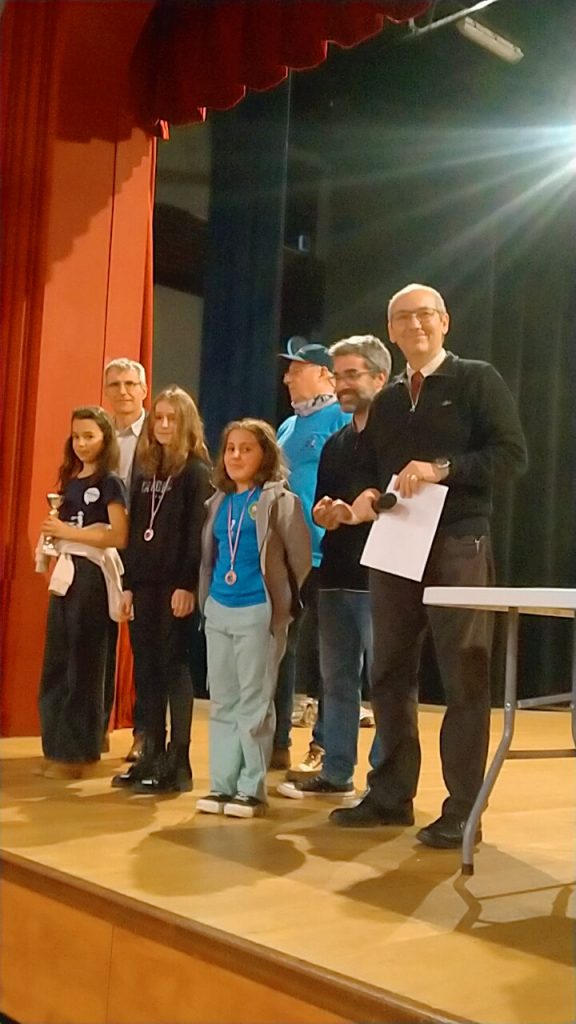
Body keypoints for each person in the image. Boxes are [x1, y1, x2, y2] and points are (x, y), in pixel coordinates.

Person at [329, 283, 527, 848]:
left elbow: (512, 456)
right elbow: (371, 471)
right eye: (403, 317)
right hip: (395, 542)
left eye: (425, 314)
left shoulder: (476, 379)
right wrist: (358, 502)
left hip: (458, 541)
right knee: (388, 672)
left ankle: (464, 810)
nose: (415, 324)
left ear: (445, 321)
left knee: (464, 675)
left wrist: (442, 468)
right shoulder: (388, 400)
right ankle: (390, 796)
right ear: (390, 331)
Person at [277, 335, 389, 801]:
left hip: (379, 574)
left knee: (384, 682)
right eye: (339, 375)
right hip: (333, 570)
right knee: (336, 678)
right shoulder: (337, 441)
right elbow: (323, 498)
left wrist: (364, 509)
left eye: (352, 375)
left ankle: (386, 786)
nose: (343, 384)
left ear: (380, 379)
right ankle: (336, 770)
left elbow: (402, 497)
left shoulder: (395, 435)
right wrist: (326, 512)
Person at [196, 419, 311, 818]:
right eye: (230, 448)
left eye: (246, 449)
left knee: (254, 703)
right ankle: (222, 785)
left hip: (257, 610)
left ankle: (251, 789)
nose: (236, 456)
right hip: (219, 608)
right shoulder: (218, 501)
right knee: (222, 701)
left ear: (265, 455)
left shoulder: (280, 501)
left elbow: (300, 559)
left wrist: (283, 602)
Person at [111, 386, 212, 794]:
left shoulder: (196, 472)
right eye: (159, 418)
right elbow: (136, 530)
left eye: (172, 418)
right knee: (147, 667)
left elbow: (196, 534)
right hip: (144, 585)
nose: (164, 425)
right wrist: (128, 585)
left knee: (174, 667)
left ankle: (179, 761)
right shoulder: (146, 469)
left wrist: (187, 584)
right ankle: (150, 753)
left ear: (186, 423)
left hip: (175, 586)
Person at [36, 407, 128, 779]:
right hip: (66, 572)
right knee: (58, 660)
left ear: (105, 439)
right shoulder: (71, 481)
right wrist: (52, 537)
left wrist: (69, 533)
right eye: (76, 436)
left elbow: (118, 534)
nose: (81, 443)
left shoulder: (110, 483)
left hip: (91, 574)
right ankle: (57, 745)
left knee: (85, 662)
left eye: (89, 436)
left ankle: (80, 752)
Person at [272, 336, 350, 774]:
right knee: (280, 648)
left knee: (330, 655)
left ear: (324, 374)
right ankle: (276, 740)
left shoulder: (341, 417)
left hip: (327, 554)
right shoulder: (286, 427)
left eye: (296, 370)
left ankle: (324, 744)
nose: (287, 378)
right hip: (286, 555)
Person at [103, 357, 148, 760]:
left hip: (146, 550)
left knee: (145, 648)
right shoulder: (97, 435)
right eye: (115, 384)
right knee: (96, 641)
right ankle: (93, 727)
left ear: (144, 390)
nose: (123, 391)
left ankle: (144, 733)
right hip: (101, 548)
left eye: (130, 384)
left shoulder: (158, 434)